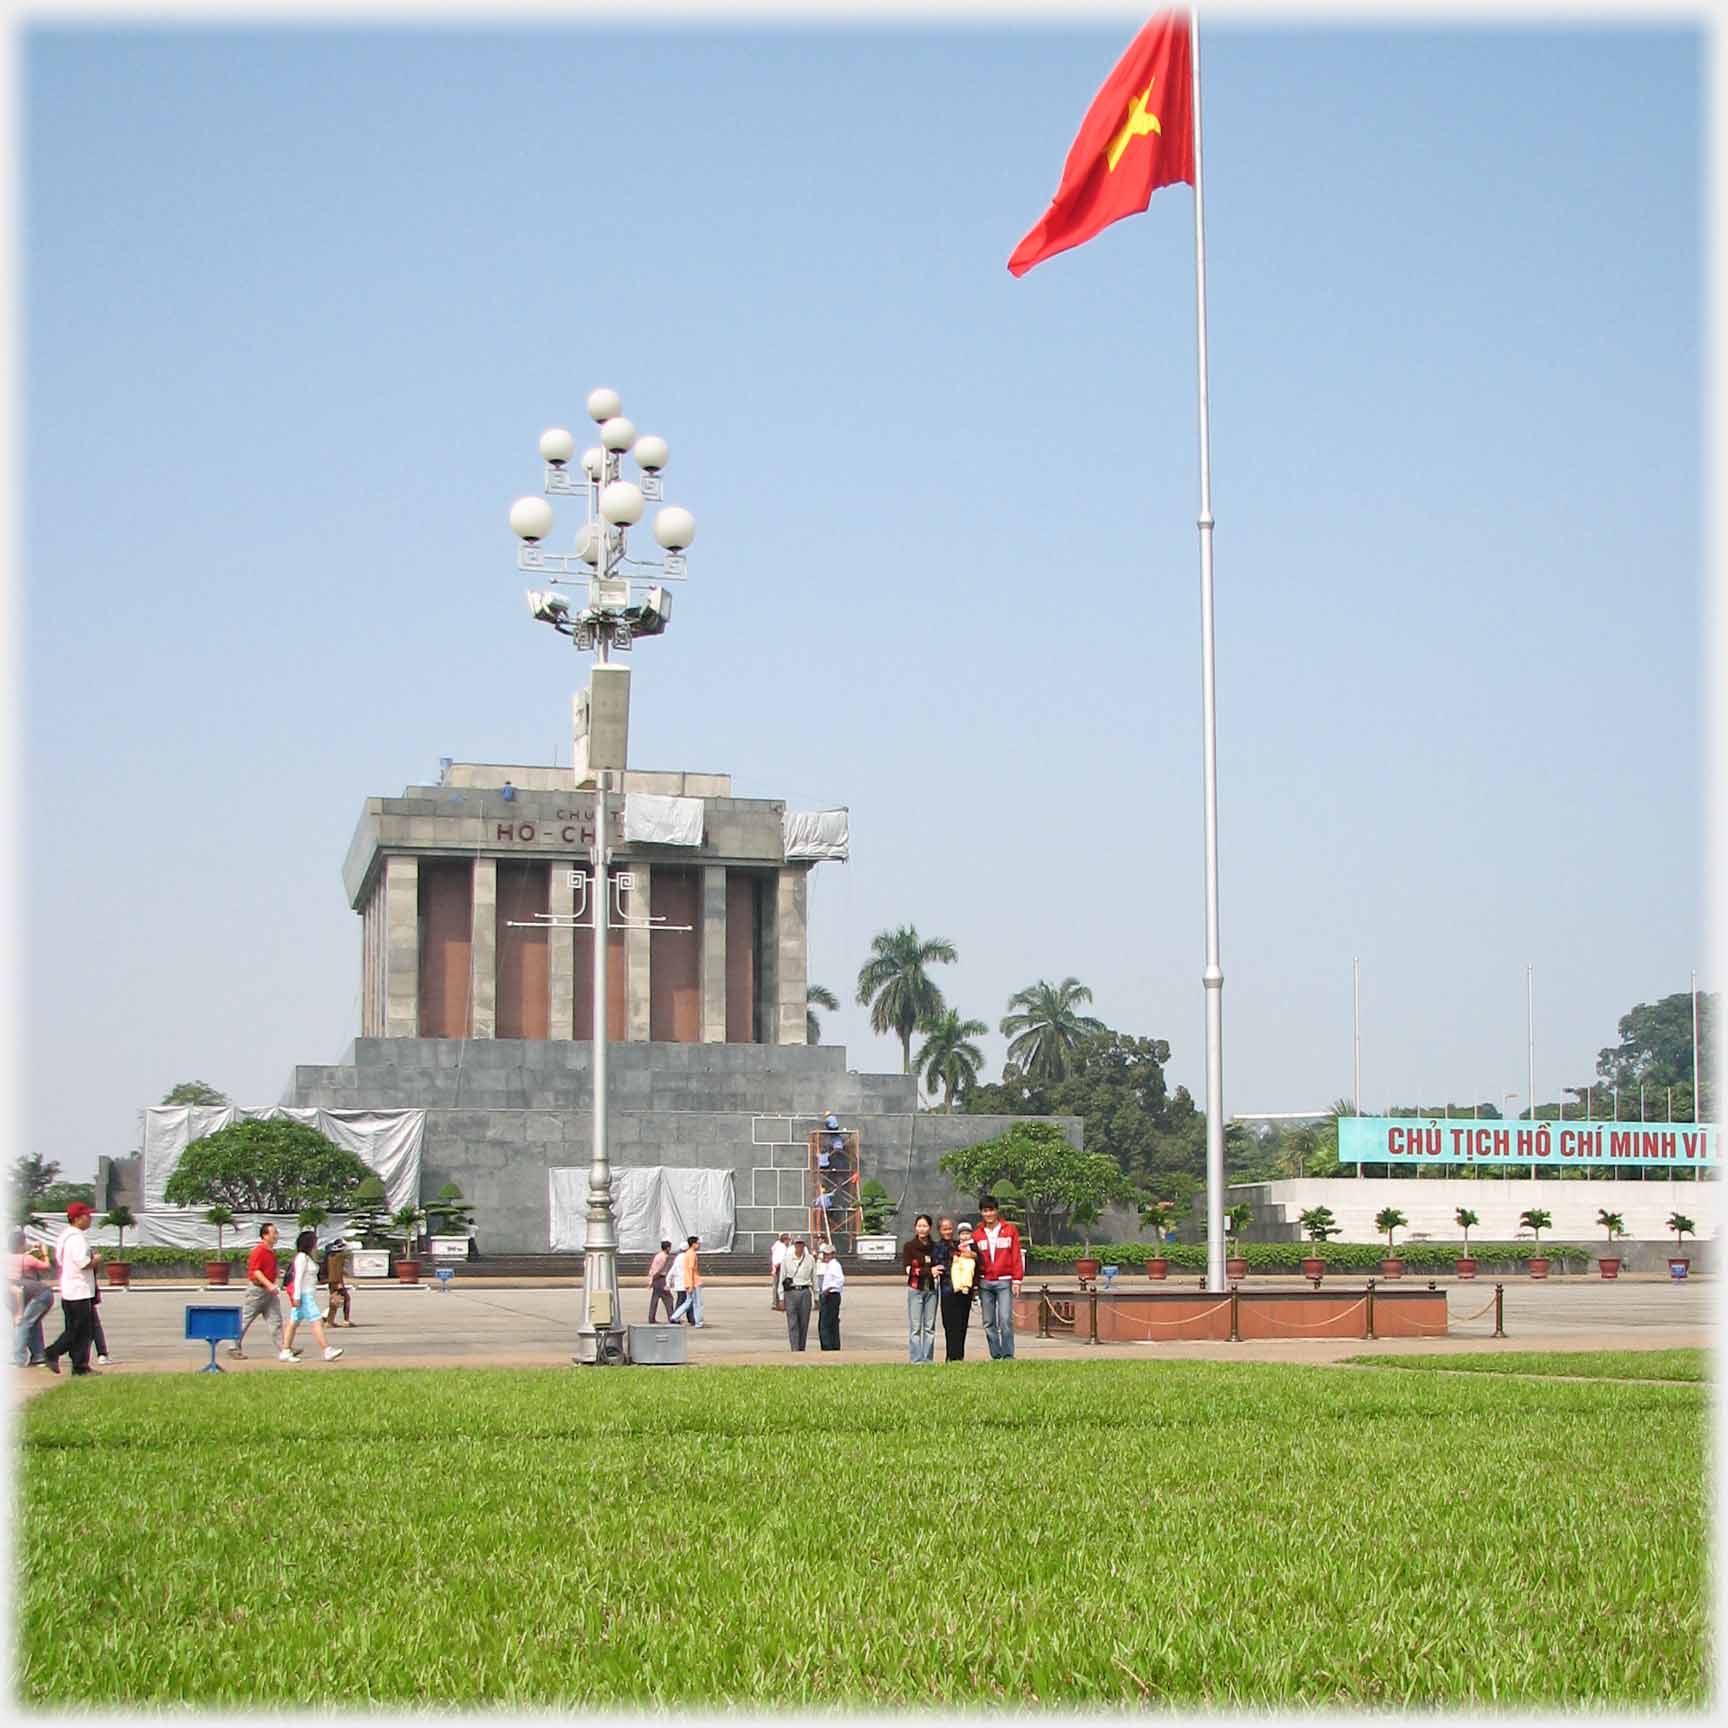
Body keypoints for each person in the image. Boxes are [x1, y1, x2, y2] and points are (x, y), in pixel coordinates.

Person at [41, 1202, 100, 1376]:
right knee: (79, 1330)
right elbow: (84, 1263)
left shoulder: (64, 1237)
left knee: (80, 1330)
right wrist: (97, 1259)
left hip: (70, 1288)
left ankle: (80, 1365)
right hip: (79, 1289)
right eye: (87, 1216)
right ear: (77, 1218)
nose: (90, 1219)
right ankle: (53, 1352)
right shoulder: (76, 1239)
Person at [974, 1194, 1026, 1360]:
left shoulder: (1009, 1230)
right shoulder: (977, 1234)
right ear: (981, 1213)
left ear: (997, 1211)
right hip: (985, 1281)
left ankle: (1008, 1354)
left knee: (1005, 1319)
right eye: (985, 1211)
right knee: (988, 1322)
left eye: (991, 1210)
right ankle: (996, 1355)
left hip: (1004, 1280)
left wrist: (1017, 1280)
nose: (988, 1214)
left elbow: (1016, 1256)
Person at [280, 1230, 344, 1363]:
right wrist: (296, 1297)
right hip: (304, 1296)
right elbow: (297, 1278)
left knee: (293, 1322)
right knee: (316, 1321)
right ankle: (326, 1350)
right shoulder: (302, 1258)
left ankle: (285, 1350)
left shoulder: (307, 1258)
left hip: (306, 1294)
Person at [233, 1222, 286, 1359]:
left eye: (276, 1233)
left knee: (276, 1321)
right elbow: (256, 1271)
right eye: (273, 1233)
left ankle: (285, 1348)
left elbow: (265, 1269)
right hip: (257, 1291)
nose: (276, 1236)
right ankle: (233, 1346)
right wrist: (269, 1284)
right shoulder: (259, 1251)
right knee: (245, 1319)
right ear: (265, 1235)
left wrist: (277, 1273)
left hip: (269, 1293)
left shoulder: (271, 1252)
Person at [12, 1229, 54, 1368]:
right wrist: (45, 1253)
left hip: (31, 1293)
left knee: (24, 1323)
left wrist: (17, 1313)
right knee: (31, 1323)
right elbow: (46, 1266)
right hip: (37, 1292)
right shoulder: (27, 1259)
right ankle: (38, 1356)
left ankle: (19, 1358)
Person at [902, 1213, 938, 1363]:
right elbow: (909, 1270)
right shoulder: (909, 1247)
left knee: (929, 1327)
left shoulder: (935, 1247)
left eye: (925, 1226)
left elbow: (939, 1266)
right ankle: (916, 1360)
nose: (922, 1229)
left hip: (931, 1290)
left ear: (930, 1228)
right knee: (915, 1327)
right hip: (915, 1289)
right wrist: (929, 1271)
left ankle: (928, 1359)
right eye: (919, 1226)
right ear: (915, 1228)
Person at [782, 1237, 816, 1351]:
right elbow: (782, 1278)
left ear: (804, 1245)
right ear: (794, 1245)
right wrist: (781, 1297)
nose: (799, 1246)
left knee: (803, 1323)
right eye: (797, 1244)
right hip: (791, 1292)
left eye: (801, 1244)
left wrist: (816, 1296)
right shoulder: (787, 1259)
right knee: (792, 1323)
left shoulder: (810, 1259)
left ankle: (801, 1348)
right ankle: (794, 1349)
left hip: (805, 1292)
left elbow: (814, 1278)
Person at [815, 1241, 845, 1351]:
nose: (825, 1256)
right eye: (825, 1254)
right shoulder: (829, 1265)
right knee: (831, 1322)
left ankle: (828, 1346)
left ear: (833, 1254)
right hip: (829, 1295)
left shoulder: (835, 1265)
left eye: (827, 1254)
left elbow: (840, 1280)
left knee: (825, 1324)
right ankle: (833, 1345)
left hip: (831, 1296)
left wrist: (829, 1288)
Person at [671, 1235, 704, 1327]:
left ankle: (675, 1316)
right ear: (693, 1244)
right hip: (694, 1282)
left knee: (688, 1302)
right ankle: (699, 1322)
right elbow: (690, 1270)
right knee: (697, 1303)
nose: (699, 1245)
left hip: (690, 1281)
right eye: (697, 1243)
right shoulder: (692, 1254)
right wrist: (690, 1284)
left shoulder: (688, 1254)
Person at [321, 1240, 353, 1328]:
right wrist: (339, 1283)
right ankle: (344, 1321)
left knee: (335, 1301)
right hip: (337, 1281)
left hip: (332, 1281)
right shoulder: (339, 1256)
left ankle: (329, 1320)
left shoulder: (330, 1256)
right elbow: (337, 1272)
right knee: (344, 1299)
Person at [646, 1238, 675, 1322]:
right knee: (668, 1299)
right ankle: (672, 1317)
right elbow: (658, 1270)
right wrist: (653, 1279)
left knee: (654, 1299)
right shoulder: (664, 1257)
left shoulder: (658, 1255)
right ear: (668, 1248)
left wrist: (651, 1280)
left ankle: (651, 1318)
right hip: (660, 1279)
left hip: (656, 1280)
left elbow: (653, 1268)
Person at [768, 1231, 791, 1311]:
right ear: (785, 1240)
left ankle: (777, 1303)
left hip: (778, 1267)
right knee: (779, 1286)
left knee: (778, 1286)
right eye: (788, 1240)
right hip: (780, 1268)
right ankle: (778, 1304)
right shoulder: (782, 1247)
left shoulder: (779, 1246)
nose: (789, 1242)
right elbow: (781, 1260)